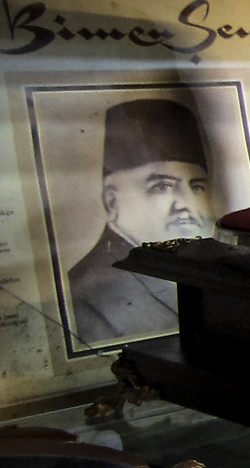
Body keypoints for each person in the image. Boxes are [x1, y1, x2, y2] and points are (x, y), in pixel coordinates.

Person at [66, 97, 216, 345]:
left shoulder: (203, 264)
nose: (186, 204)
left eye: (197, 186)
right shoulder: (85, 298)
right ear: (113, 202)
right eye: (163, 186)